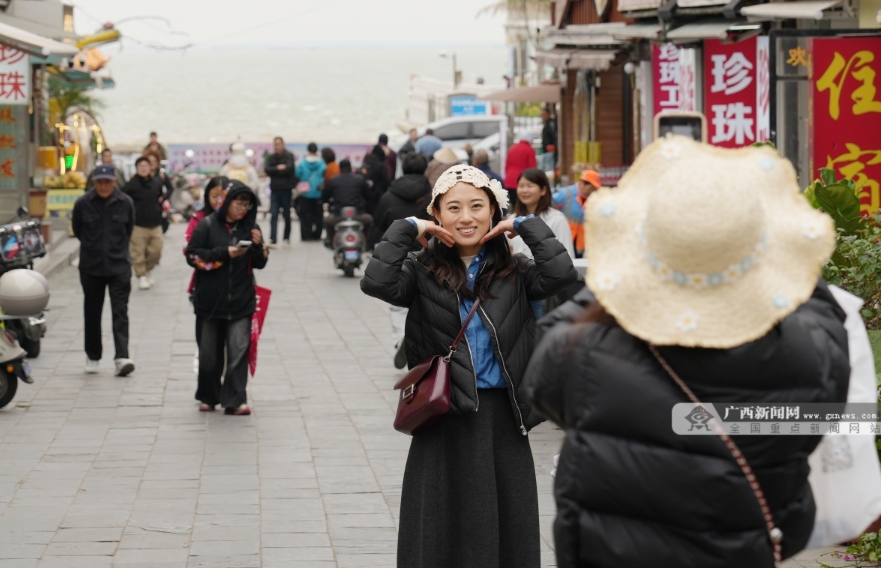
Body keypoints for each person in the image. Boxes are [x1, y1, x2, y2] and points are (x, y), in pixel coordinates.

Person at [525, 136, 850, 568]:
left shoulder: (583, 353)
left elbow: (541, 371)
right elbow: (821, 310)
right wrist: (780, 260)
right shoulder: (808, 355)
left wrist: (620, 283)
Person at [360, 164, 577, 568]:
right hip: (442, 418)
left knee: (505, 530)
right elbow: (376, 281)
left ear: (493, 212)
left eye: (477, 206)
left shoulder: (517, 272)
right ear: (437, 214)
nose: (466, 217)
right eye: (453, 207)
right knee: (438, 530)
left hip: (502, 421)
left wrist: (524, 224)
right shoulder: (421, 271)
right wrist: (409, 227)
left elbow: (562, 272)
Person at [186, 181, 269, 416]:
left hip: (241, 301)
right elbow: (193, 256)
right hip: (210, 303)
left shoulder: (251, 228)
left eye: (247, 204)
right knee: (209, 355)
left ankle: (234, 399)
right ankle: (208, 396)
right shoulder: (207, 225)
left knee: (238, 351)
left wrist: (258, 245)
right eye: (238, 203)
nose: (242, 209)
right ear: (227, 202)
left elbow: (260, 263)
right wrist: (225, 253)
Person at [71, 164, 136, 377]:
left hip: (119, 266)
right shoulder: (83, 203)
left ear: (115, 182)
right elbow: (78, 229)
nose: (104, 186)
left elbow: (129, 230)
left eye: (108, 182)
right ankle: (93, 355)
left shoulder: (126, 203)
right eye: (100, 182)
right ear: (94, 182)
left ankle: (122, 357)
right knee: (92, 312)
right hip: (91, 267)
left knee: (120, 312)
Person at [371, 152, 432, 369]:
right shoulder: (433, 196)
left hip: (399, 256)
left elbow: (378, 222)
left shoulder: (389, 196)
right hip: (428, 256)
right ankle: (421, 342)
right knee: (427, 302)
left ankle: (400, 340)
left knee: (397, 307)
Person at [184, 176, 230, 373]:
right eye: (213, 196)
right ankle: (208, 378)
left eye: (222, 196)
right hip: (204, 286)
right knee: (206, 336)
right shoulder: (200, 219)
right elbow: (190, 250)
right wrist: (219, 257)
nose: (218, 201)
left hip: (234, 286)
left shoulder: (238, 219)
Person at [123, 156, 167, 290]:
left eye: (146, 166)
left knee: (156, 251)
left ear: (150, 167)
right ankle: (141, 275)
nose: (143, 168)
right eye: (140, 166)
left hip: (155, 224)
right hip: (138, 225)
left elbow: (161, 195)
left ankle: (148, 269)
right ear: (136, 168)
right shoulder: (131, 185)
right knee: (138, 252)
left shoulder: (156, 183)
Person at [509, 169, 573, 259]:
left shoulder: (557, 219)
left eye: (530, 186)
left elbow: (568, 257)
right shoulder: (512, 219)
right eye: (521, 186)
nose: (524, 190)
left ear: (543, 190)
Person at [321, 159, 373, 245]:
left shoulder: (333, 180)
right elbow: (368, 196)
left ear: (340, 169)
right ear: (351, 168)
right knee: (369, 220)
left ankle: (332, 242)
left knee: (326, 221)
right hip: (358, 216)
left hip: (338, 216)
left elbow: (324, 197)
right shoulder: (360, 179)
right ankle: (365, 242)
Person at [552, 169, 600, 258]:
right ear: (584, 183)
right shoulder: (565, 193)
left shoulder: (593, 199)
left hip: (580, 243)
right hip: (563, 238)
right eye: (593, 187)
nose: (594, 190)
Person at [264, 137, 297, 249]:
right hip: (275, 190)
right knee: (273, 214)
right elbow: (268, 170)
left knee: (287, 215)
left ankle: (286, 238)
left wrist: (276, 170)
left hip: (286, 190)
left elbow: (289, 169)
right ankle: (273, 239)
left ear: (283, 144)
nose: (277, 146)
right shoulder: (272, 157)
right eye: (275, 144)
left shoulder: (289, 156)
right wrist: (279, 168)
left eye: (279, 144)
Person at [294, 142, 327, 241]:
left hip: (305, 193)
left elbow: (297, 174)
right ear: (316, 150)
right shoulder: (321, 162)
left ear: (308, 150)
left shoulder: (303, 162)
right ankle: (317, 234)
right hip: (317, 192)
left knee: (305, 215)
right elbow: (324, 174)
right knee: (318, 215)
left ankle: (306, 234)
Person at [504, 131, 537, 205]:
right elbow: (532, 169)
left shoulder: (512, 148)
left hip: (510, 180)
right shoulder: (529, 150)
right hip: (523, 182)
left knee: (514, 204)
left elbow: (506, 166)